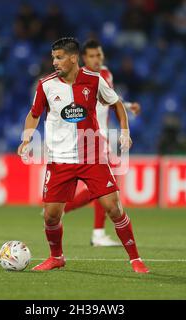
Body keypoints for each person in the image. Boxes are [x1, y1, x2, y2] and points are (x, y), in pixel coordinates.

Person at [17, 37, 149, 273]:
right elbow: (34, 114)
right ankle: (56, 257)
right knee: (51, 216)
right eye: (53, 58)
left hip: (92, 156)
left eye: (59, 58)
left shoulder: (94, 80)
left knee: (114, 207)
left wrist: (124, 132)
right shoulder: (46, 85)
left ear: (73, 58)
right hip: (60, 159)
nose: (55, 62)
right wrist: (26, 138)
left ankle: (135, 259)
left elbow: (116, 103)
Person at [63, 39, 142, 247]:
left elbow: (110, 99)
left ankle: (92, 229)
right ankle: (64, 210)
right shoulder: (77, 78)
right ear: (84, 58)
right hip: (90, 137)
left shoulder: (106, 75)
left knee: (103, 187)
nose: (96, 59)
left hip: (102, 137)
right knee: (105, 187)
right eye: (91, 56)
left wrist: (127, 105)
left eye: (99, 55)